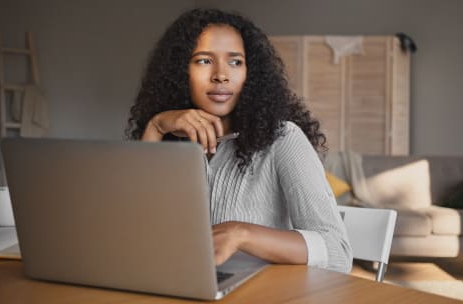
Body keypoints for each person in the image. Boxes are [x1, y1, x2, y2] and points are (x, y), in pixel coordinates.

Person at [126, 8, 353, 273]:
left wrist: (242, 233)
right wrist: (155, 126)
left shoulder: (283, 138)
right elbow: (134, 235)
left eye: (235, 62)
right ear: (179, 71)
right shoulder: (168, 142)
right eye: (203, 60)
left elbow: (338, 252)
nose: (221, 75)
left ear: (251, 73)